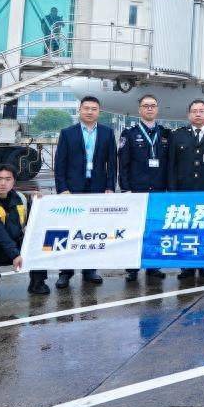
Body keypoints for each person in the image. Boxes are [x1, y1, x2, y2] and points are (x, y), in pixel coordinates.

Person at [54, 95, 116, 287]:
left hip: (97, 188)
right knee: (70, 230)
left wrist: (110, 187)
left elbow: (112, 163)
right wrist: (62, 189)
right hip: (72, 190)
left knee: (92, 230)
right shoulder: (67, 133)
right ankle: (66, 272)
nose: (90, 112)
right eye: (86, 108)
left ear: (99, 112)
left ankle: (90, 270)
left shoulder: (107, 133)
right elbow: (60, 163)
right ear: (79, 110)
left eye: (94, 109)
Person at [167, 99, 204, 280]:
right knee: (185, 229)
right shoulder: (177, 135)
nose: (198, 114)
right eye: (194, 111)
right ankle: (186, 266)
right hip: (184, 191)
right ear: (189, 115)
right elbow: (171, 165)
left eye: (201, 111)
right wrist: (172, 191)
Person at [0, 165, 50, 296]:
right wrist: (15, 255)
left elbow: (34, 221)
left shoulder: (21, 198)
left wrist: (38, 202)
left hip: (18, 244)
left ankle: (37, 283)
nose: (3, 183)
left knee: (42, 244)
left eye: (8, 179)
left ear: (14, 181)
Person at [120, 94, 171, 282]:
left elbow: (170, 164)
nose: (149, 108)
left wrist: (169, 188)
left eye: (153, 105)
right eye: (145, 105)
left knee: (155, 228)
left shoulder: (166, 134)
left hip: (159, 189)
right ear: (139, 109)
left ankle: (153, 266)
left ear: (157, 109)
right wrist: (125, 188)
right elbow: (123, 164)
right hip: (137, 189)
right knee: (134, 229)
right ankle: (132, 268)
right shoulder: (129, 133)